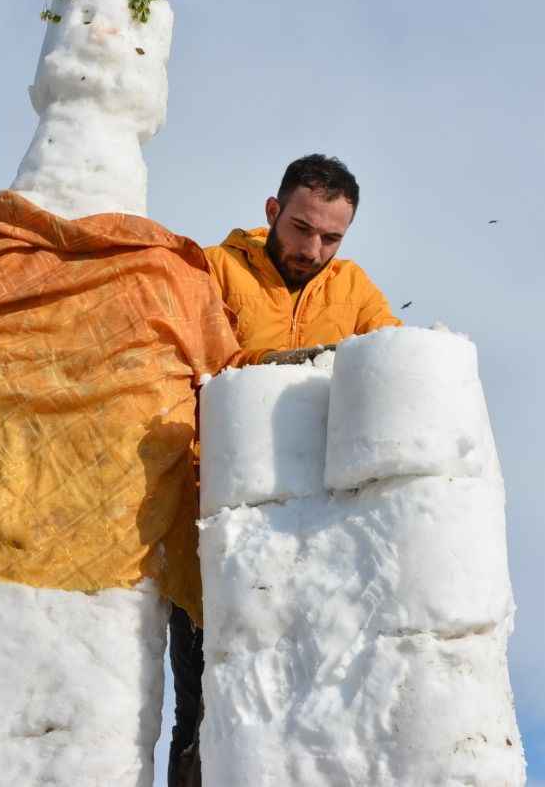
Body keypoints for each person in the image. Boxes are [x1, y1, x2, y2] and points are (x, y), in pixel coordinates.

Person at [167, 154, 401, 786]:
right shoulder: (212, 270)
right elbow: (198, 359)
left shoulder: (353, 288)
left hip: (316, 528)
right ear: (273, 212)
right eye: (302, 228)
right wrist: (293, 361)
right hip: (211, 517)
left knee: (308, 699)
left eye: (331, 237)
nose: (313, 248)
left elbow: (392, 363)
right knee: (208, 697)